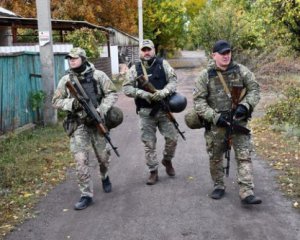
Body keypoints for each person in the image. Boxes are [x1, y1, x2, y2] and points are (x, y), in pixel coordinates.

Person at [193, 40, 262, 204]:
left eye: (228, 53)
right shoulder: (206, 75)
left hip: (238, 120)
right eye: (222, 53)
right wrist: (214, 117)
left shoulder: (241, 70)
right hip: (217, 124)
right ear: (214, 55)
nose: (226, 56)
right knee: (215, 157)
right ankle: (218, 186)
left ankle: (246, 191)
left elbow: (254, 89)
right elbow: (198, 102)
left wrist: (245, 106)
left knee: (244, 155)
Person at [52, 47, 118, 210]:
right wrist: (71, 103)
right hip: (78, 124)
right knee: (81, 160)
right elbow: (55, 101)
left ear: (83, 58)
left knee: (103, 158)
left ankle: (104, 176)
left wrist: (101, 109)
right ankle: (86, 195)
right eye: (70, 58)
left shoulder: (98, 76)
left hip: (97, 123)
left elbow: (112, 93)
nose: (71, 60)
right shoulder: (65, 80)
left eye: (75, 58)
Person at [123, 39, 178, 185]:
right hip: (146, 112)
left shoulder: (163, 64)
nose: (146, 52)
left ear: (154, 50)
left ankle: (167, 160)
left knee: (172, 138)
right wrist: (143, 94)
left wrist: (164, 92)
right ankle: (153, 171)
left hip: (163, 109)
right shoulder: (135, 69)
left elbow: (173, 81)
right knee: (149, 143)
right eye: (144, 50)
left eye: (149, 49)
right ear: (140, 52)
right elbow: (126, 89)